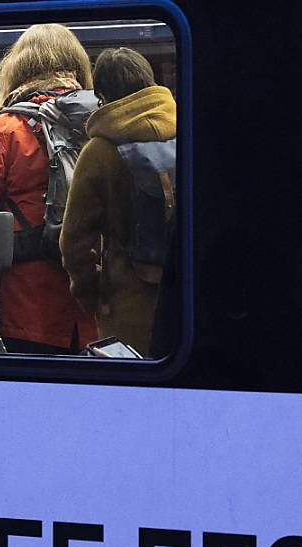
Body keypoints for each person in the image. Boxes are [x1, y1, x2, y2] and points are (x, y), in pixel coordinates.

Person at [0, 24, 97, 355]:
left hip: (28, 300)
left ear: (18, 68)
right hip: (93, 294)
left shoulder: (5, 128)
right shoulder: (100, 122)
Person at [60, 48, 177, 356]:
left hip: (126, 303)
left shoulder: (100, 151)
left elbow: (75, 243)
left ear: (103, 95)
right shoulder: (188, 133)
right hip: (186, 301)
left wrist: (93, 297)